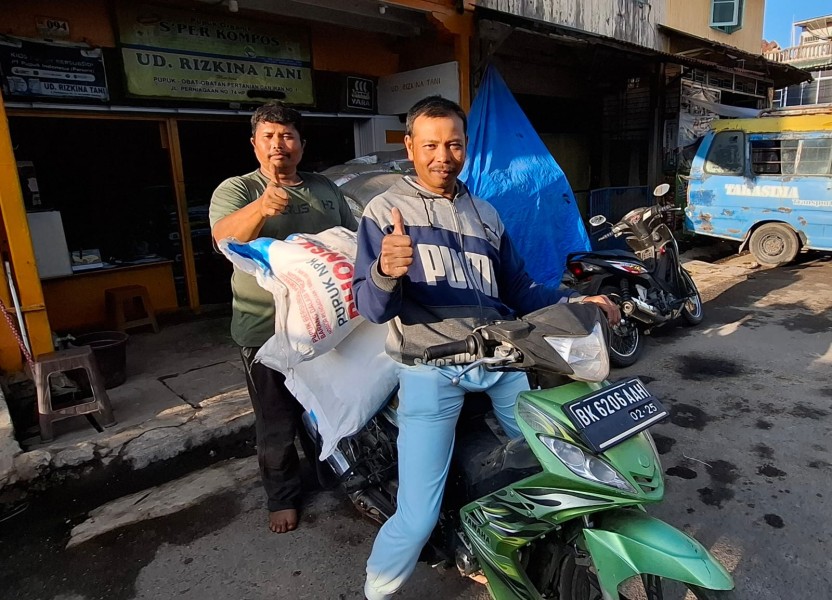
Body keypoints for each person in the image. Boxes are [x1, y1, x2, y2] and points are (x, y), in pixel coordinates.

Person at [352, 95, 620, 599]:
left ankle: (520, 548)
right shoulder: (386, 212)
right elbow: (370, 308)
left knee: (556, 462)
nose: (442, 156)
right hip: (431, 371)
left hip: (500, 360)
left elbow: (520, 291)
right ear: (410, 146)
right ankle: (377, 589)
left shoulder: (486, 212)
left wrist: (579, 300)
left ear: (466, 146)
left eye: (453, 143)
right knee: (418, 515)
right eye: (430, 144)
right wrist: (387, 270)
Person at [210, 101, 357, 533]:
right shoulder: (237, 190)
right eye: (270, 136)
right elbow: (222, 238)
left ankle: (335, 474)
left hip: (328, 324)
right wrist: (262, 208)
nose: (280, 145)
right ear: (254, 143)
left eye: (288, 136)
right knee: (277, 420)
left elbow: (349, 239)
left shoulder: (324, 187)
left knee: (329, 408)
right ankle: (282, 497)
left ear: (302, 143)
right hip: (265, 329)